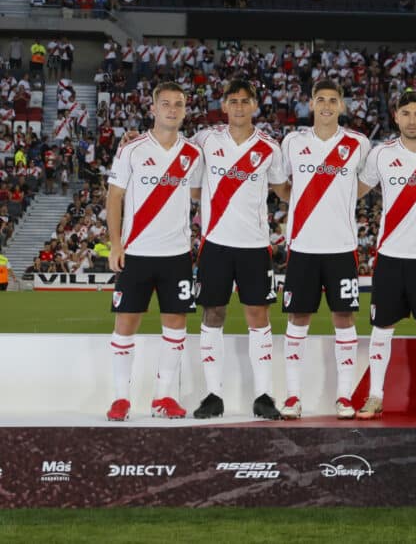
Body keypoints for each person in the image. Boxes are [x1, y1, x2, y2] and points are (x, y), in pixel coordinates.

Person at [190, 79, 291, 421]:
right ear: (224, 105)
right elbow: (179, 163)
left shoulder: (269, 147)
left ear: (255, 105)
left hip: (255, 246)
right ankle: (213, 394)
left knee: (258, 317)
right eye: (233, 100)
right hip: (215, 244)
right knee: (212, 314)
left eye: (245, 100)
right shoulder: (205, 139)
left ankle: (263, 395)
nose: (238, 106)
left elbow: (282, 189)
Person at [104, 82, 204, 421]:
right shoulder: (131, 149)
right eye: (165, 103)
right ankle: (121, 398)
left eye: (178, 104)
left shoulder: (193, 153)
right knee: (125, 325)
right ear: (153, 108)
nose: (172, 109)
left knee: (175, 326)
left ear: (185, 110)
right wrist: (116, 244)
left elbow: (199, 194)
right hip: (136, 253)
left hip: (177, 255)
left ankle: (163, 398)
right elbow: (114, 197)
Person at [277, 79, 371, 420]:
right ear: (311, 105)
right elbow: (281, 185)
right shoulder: (292, 142)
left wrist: (340, 201)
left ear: (342, 106)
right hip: (302, 246)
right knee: (297, 317)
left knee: (343, 317)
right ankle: (292, 396)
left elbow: (367, 183)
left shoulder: (358, 144)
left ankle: (344, 397)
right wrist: (307, 203)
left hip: (342, 248)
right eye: (321, 99)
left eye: (333, 100)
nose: (327, 105)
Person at [356, 90, 416, 420]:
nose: (412, 119)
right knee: (382, 327)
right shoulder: (380, 154)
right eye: (406, 113)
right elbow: (355, 191)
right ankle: (375, 396)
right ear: (396, 116)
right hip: (390, 255)